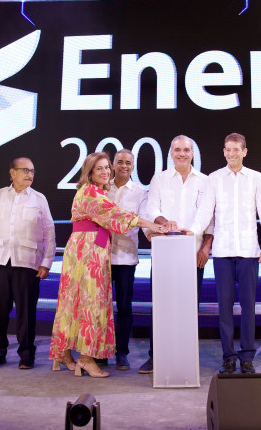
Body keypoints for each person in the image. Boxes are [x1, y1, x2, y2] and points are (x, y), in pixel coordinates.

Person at [49, 152, 166, 378]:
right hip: (89, 251)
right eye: (99, 168)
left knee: (74, 302)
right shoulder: (92, 192)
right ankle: (86, 359)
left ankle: (63, 353)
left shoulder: (93, 190)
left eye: (105, 168)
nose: (104, 172)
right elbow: (119, 215)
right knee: (91, 304)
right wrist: (153, 225)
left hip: (84, 249)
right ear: (90, 172)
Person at [192, 133, 261, 374]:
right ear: (224, 151)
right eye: (228, 149)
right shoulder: (214, 178)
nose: (231, 153)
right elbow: (205, 212)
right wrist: (192, 232)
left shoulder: (256, 178)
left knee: (248, 307)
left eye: (236, 149)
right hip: (223, 252)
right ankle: (228, 357)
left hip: (249, 251)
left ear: (244, 152)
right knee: (224, 308)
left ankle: (247, 357)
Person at [139, 135, 214, 374]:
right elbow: (152, 207)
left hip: (192, 254)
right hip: (164, 253)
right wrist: (163, 222)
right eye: (177, 149)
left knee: (189, 308)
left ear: (192, 153)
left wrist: (195, 236)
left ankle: (186, 357)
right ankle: (156, 357)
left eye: (186, 150)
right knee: (160, 307)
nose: (182, 154)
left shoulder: (205, 181)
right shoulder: (159, 179)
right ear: (171, 153)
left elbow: (207, 214)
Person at [0, 157, 55, 370]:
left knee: (26, 312)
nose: (29, 174)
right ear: (12, 173)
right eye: (25, 170)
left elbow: (49, 232)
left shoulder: (39, 199)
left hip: (27, 262)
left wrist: (46, 262)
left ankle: (26, 354)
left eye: (32, 171)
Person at [107, 149, 147, 371]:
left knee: (124, 307)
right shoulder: (102, 188)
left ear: (133, 166)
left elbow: (144, 221)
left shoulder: (140, 193)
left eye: (128, 163)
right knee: (100, 307)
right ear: (113, 164)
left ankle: (121, 353)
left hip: (126, 257)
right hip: (101, 257)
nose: (124, 166)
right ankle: (100, 352)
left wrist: (154, 232)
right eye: (120, 162)